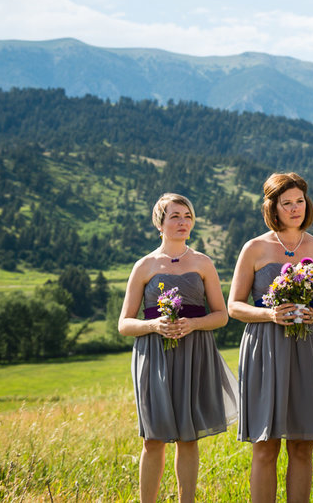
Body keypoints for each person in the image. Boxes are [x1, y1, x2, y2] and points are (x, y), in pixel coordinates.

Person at [228, 172, 313, 503]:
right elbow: (234, 305)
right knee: (265, 447)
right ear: (272, 207)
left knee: (302, 445)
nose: (295, 208)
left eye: (299, 201)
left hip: (309, 348)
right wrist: (269, 314)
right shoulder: (254, 248)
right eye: (286, 203)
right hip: (264, 350)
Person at [118, 193, 239, 503]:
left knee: (188, 438)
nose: (183, 222)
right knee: (153, 439)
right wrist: (154, 325)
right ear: (160, 223)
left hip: (194, 355)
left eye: (187, 216)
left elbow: (221, 315)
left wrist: (194, 324)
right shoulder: (144, 266)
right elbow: (124, 324)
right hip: (154, 357)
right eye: (175, 216)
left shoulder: (202, 263)